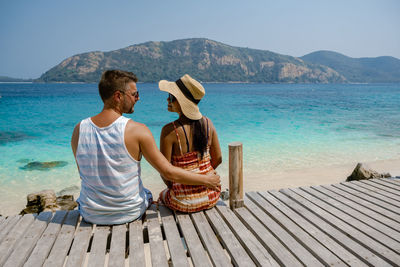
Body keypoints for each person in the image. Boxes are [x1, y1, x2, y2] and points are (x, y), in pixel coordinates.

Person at [71, 70, 220, 225]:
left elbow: (84, 173)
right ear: (118, 96)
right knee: (148, 194)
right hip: (130, 212)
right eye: (135, 94)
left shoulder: (78, 130)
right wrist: (207, 180)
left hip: (90, 213)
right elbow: (168, 172)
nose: (138, 98)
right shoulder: (137, 130)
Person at [158, 74, 222, 212]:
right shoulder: (208, 123)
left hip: (184, 202)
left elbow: (165, 173)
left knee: (161, 196)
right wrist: (205, 176)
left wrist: (180, 187)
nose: (167, 99)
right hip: (212, 195)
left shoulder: (169, 131)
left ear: (181, 101)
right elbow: (218, 159)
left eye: (171, 97)